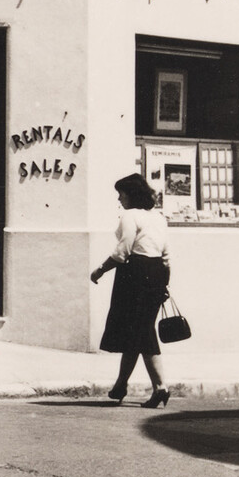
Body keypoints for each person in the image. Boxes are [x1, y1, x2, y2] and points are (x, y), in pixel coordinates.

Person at [90, 172, 173, 407]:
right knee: (137, 330)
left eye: (121, 194)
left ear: (130, 195)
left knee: (142, 330)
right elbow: (166, 255)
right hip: (157, 272)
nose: (119, 199)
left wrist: (100, 270)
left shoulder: (129, 216)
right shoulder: (158, 217)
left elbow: (122, 251)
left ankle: (160, 387)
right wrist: (165, 282)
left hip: (135, 274)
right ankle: (120, 385)